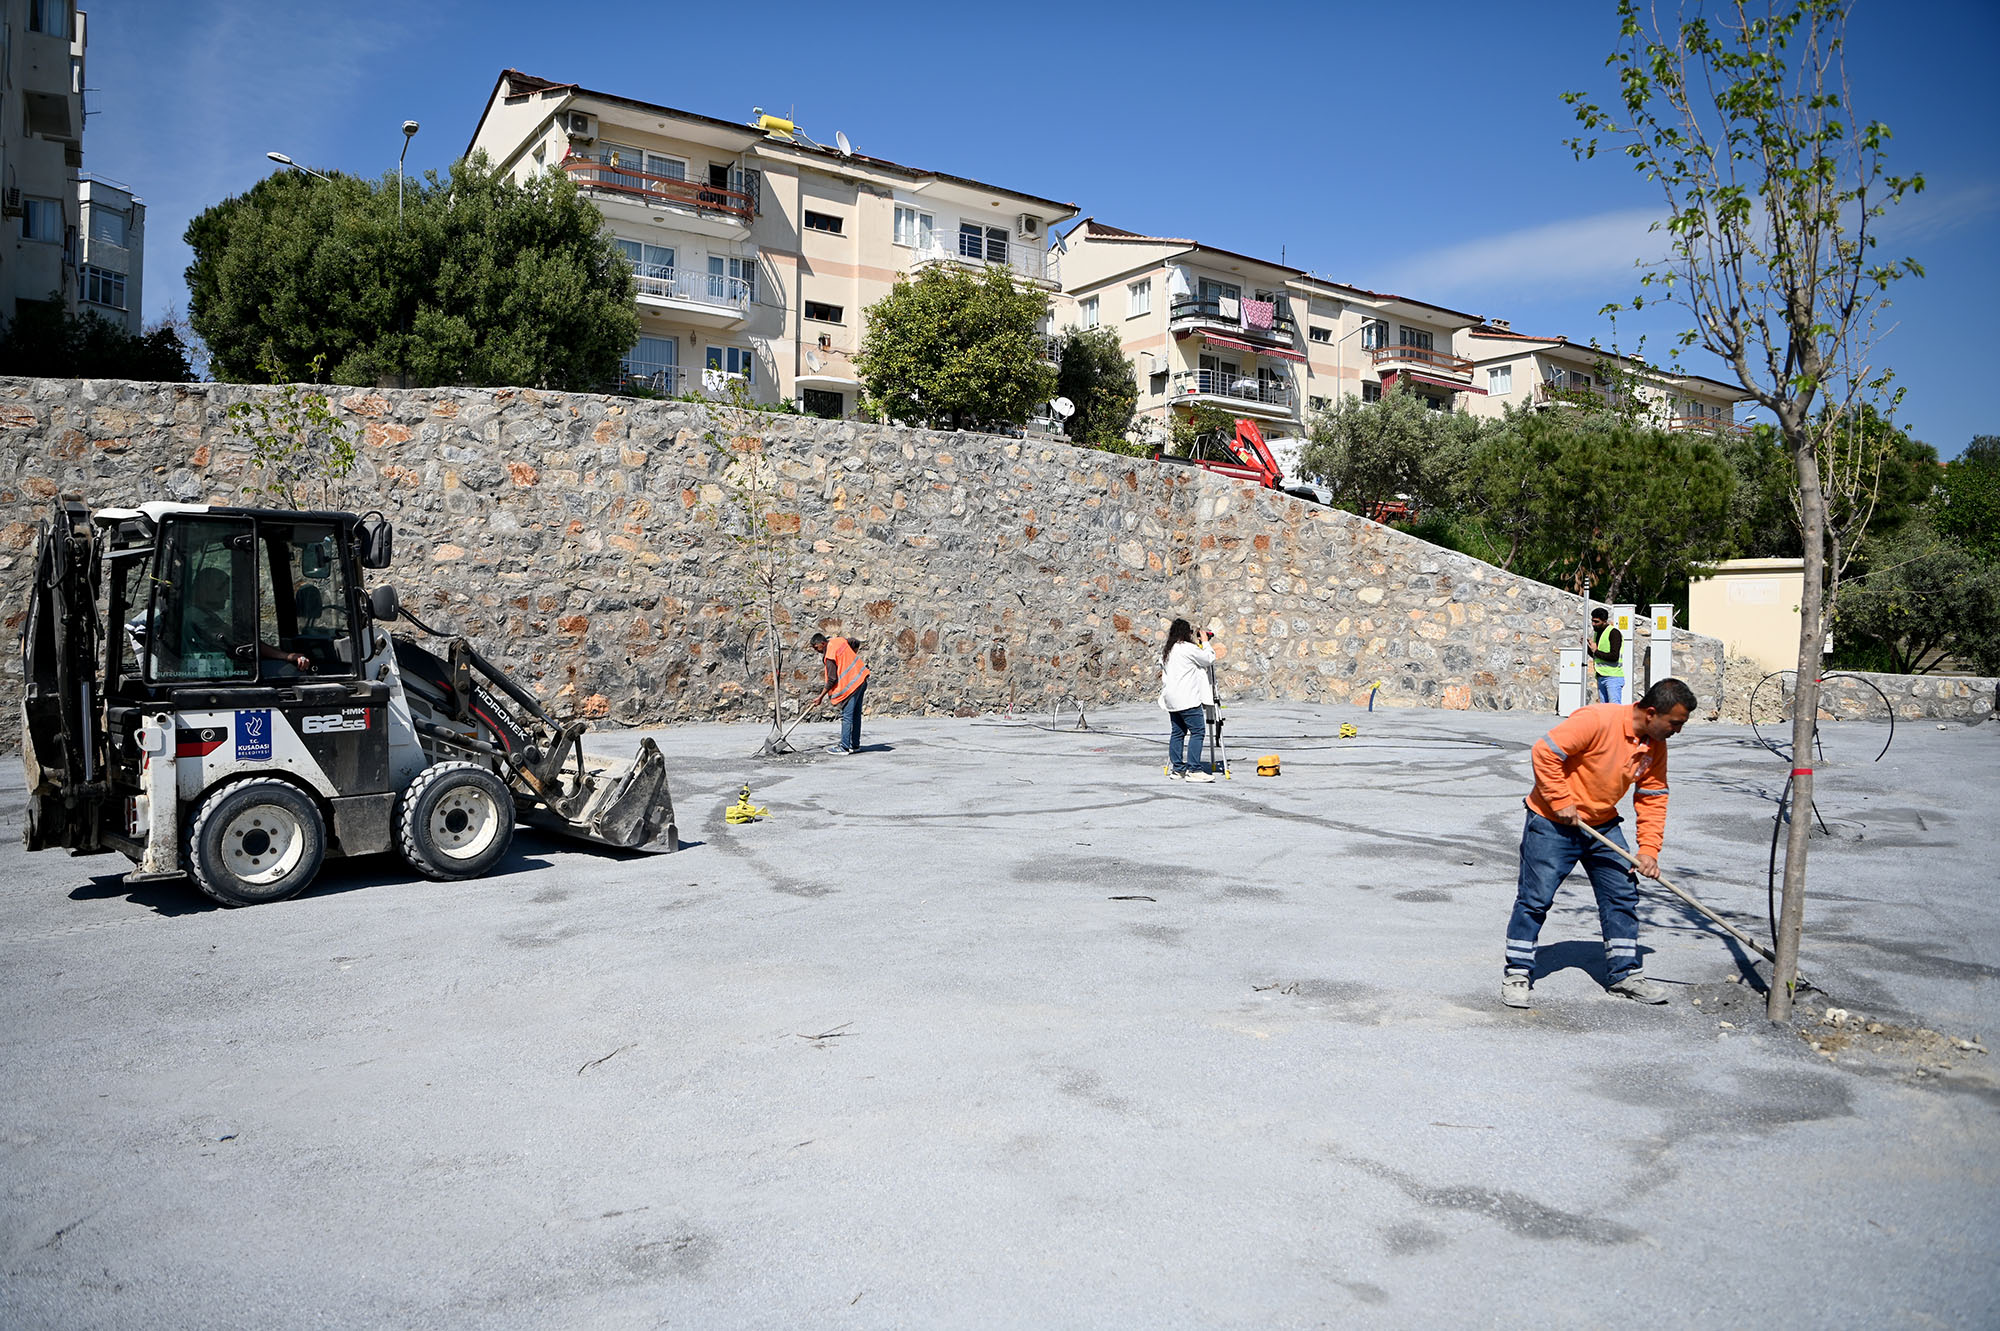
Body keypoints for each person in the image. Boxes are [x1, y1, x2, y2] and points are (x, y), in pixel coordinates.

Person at [1500, 677, 1697, 1010]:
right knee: (1535, 898)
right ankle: (1517, 972)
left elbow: (1652, 797)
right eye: (1675, 723)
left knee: (1622, 893)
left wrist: (1649, 850)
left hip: (1601, 825)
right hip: (1551, 822)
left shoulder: (1654, 745)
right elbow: (1544, 752)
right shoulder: (1597, 720)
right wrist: (1561, 800)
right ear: (1651, 713)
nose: (1677, 731)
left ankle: (1624, 975)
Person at [1158, 618, 1217, 783]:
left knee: (1178, 733)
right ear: (1186, 633)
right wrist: (1205, 642)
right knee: (1198, 731)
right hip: (1187, 698)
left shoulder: (1169, 650)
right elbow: (1208, 659)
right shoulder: (1187, 648)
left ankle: (1178, 769)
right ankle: (1194, 769)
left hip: (1171, 699)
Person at [811, 632, 869, 756]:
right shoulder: (839, 641)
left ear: (822, 643)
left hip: (851, 685)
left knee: (847, 716)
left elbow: (832, 679)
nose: (816, 651)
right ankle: (855, 745)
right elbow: (855, 642)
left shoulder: (829, 654)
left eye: (816, 647)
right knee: (856, 715)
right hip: (861, 678)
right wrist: (850, 657)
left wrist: (820, 697)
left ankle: (844, 747)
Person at [1586, 607, 1625, 703]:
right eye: (1592, 621)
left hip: (1613, 677)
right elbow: (1596, 655)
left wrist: (1595, 651)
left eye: (1596, 622)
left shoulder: (1614, 633)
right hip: (1601, 676)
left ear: (1604, 621)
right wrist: (1587, 647)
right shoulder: (1597, 634)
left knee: (1614, 707)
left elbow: (1614, 656)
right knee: (1604, 708)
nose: (1593, 624)